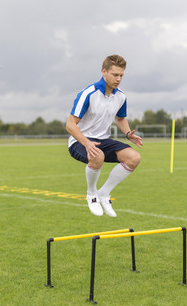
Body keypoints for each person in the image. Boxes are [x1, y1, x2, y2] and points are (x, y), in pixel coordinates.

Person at [66, 54, 143, 218]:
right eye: (115, 75)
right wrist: (86, 143)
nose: (119, 79)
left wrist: (128, 133)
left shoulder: (121, 96)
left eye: (121, 75)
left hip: (103, 140)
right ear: (104, 72)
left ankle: (103, 193)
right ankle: (91, 194)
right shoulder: (88, 94)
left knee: (134, 158)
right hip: (79, 141)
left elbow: (120, 118)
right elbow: (70, 124)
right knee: (97, 155)